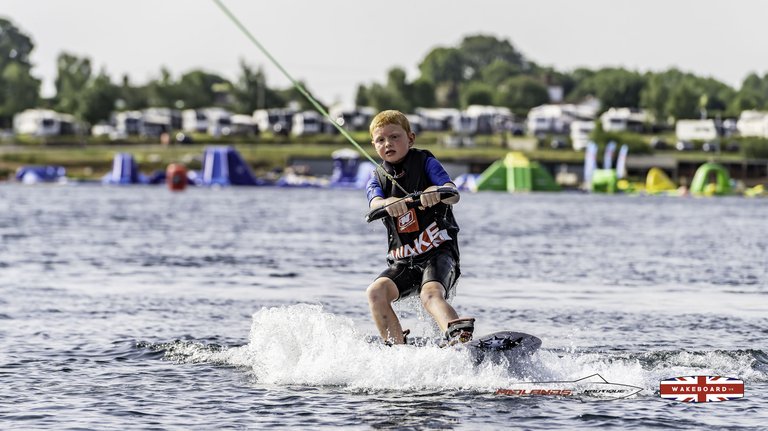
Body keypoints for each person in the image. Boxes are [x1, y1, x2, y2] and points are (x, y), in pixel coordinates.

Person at [365, 110, 474, 346]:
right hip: (404, 262)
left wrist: (436, 192)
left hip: (439, 253)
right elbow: (374, 204)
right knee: (375, 293)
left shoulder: (426, 162)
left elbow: (452, 193)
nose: (388, 144)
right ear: (373, 145)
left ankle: (459, 339)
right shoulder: (377, 178)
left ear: (410, 138)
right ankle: (398, 350)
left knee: (430, 294)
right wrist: (387, 203)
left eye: (395, 137)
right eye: (381, 140)